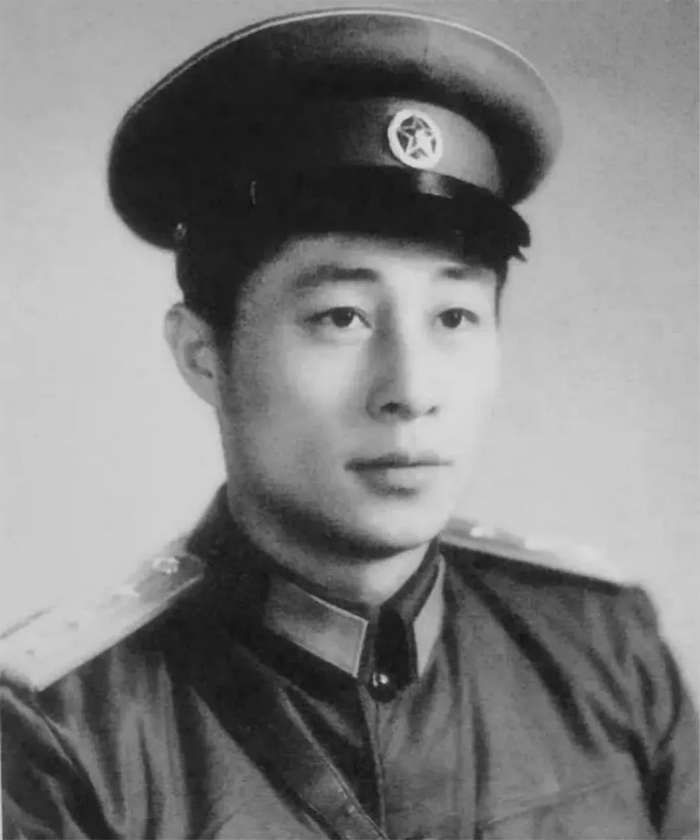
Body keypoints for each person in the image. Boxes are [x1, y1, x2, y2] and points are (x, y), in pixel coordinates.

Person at [1, 7, 697, 839]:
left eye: (454, 317)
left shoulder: (602, 648)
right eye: (341, 317)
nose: (411, 390)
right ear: (203, 355)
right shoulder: (59, 735)